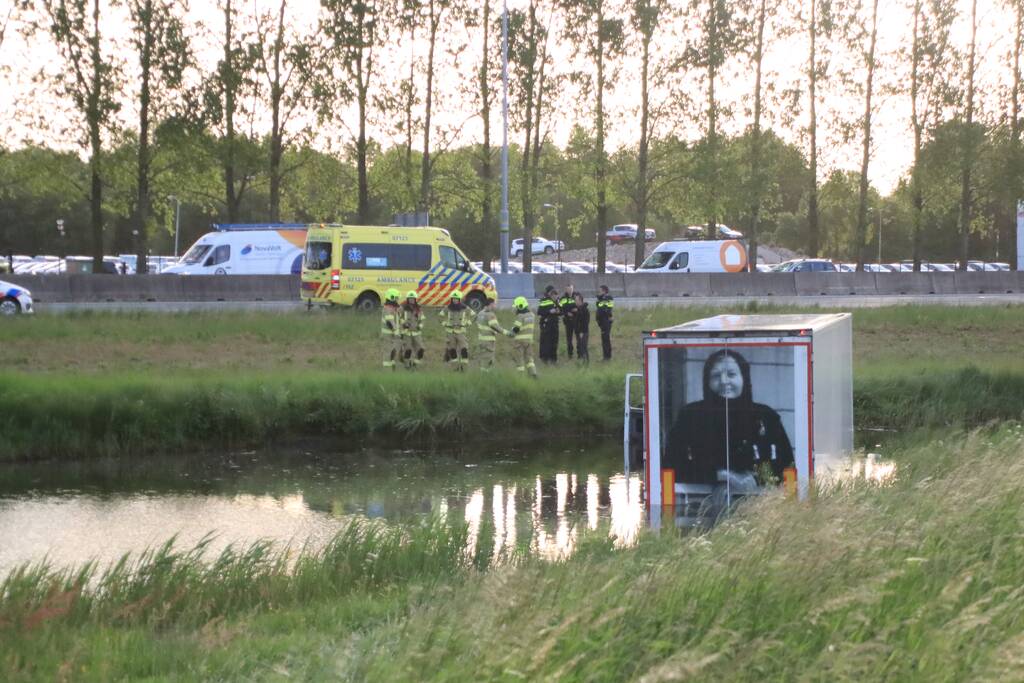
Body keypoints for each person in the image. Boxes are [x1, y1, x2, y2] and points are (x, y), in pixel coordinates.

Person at [664, 349, 794, 487]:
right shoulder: (690, 416)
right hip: (700, 498)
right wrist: (718, 476)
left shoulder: (766, 417)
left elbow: (788, 468)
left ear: (744, 378)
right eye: (716, 376)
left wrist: (756, 479)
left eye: (731, 374)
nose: (724, 381)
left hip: (759, 498)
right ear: (707, 381)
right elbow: (671, 467)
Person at [439, 290, 473, 371]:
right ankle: (455, 368)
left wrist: (467, 323)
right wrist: (445, 324)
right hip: (450, 333)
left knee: (464, 350)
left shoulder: (465, 308)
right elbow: (440, 317)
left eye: (456, 299)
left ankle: (464, 368)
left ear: (459, 299)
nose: (455, 300)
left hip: (461, 333)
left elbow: (474, 316)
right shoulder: (447, 308)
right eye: (453, 299)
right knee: (452, 351)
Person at [475, 294, 510, 371]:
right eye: (494, 304)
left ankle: (482, 374)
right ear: (491, 304)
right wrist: (507, 333)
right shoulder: (490, 314)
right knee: (489, 360)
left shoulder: (480, 313)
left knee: (483, 358)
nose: (495, 306)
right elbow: (495, 327)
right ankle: (486, 375)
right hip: (488, 341)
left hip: (481, 340)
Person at [508, 296, 537, 377]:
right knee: (529, 359)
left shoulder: (520, 316)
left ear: (520, 306)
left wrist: (511, 331)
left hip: (519, 342)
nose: (515, 309)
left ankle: (521, 376)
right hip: (529, 341)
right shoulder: (532, 315)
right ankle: (533, 374)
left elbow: (516, 329)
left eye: (516, 307)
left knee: (519, 359)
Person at [400, 290, 425, 369]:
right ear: (407, 299)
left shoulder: (418, 308)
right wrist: (404, 324)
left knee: (421, 349)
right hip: (406, 333)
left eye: (413, 298)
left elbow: (422, 319)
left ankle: (415, 364)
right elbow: (398, 318)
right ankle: (407, 365)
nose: (412, 300)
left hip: (416, 333)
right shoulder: (403, 308)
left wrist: (420, 326)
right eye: (410, 298)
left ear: (415, 299)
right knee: (408, 350)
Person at [537, 285, 561, 363]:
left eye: (554, 293)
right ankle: (545, 359)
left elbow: (561, 310)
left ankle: (553, 359)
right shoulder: (544, 301)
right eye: (551, 292)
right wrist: (549, 312)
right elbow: (539, 312)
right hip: (546, 324)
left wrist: (558, 311)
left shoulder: (557, 301)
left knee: (554, 341)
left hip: (554, 324)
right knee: (546, 341)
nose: (553, 294)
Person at [380, 288, 402, 370]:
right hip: (387, 335)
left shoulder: (393, 308)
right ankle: (387, 371)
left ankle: (392, 369)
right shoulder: (388, 309)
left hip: (392, 335)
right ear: (392, 298)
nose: (397, 300)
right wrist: (396, 332)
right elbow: (390, 322)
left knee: (393, 351)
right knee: (387, 352)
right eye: (396, 298)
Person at [596, 285, 614, 361]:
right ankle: (606, 356)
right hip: (602, 321)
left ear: (604, 291)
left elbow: (607, 309)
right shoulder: (600, 299)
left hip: (606, 321)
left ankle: (607, 357)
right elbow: (599, 308)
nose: (598, 292)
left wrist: (608, 315)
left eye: (600, 291)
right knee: (604, 339)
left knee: (606, 339)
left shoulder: (608, 298)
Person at [559, 284, 577, 359]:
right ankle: (570, 355)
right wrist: (566, 313)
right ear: (566, 290)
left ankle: (580, 354)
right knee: (569, 338)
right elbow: (560, 309)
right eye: (568, 289)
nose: (569, 291)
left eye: (571, 289)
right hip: (568, 321)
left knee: (579, 337)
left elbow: (581, 306)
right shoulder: (563, 298)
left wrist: (576, 310)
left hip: (576, 320)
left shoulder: (577, 296)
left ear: (573, 289)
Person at [572, 292, 590, 364]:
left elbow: (585, 322)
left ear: (580, 301)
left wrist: (582, 332)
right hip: (578, 332)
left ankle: (586, 363)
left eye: (576, 300)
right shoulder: (578, 309)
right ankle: (582, 362)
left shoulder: (584, 310)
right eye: (575, 300)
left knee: (583, 347)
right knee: (580, 347)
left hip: (583, 332)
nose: (575, 302)